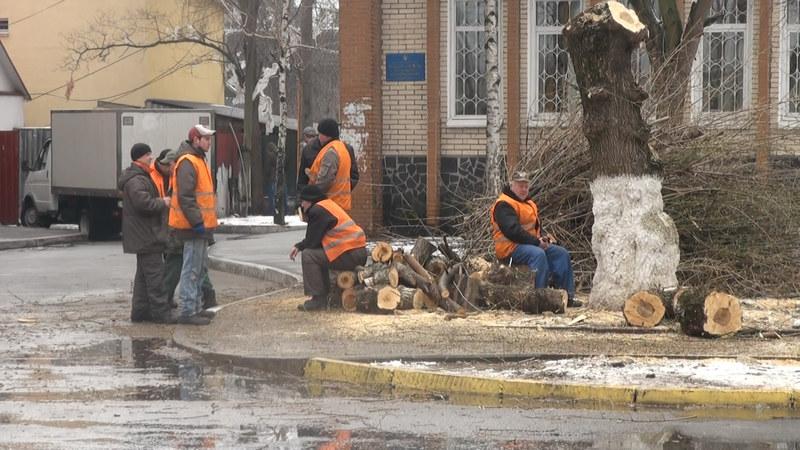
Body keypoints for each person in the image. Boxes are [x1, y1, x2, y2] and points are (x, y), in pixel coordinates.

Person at [490, 171, 583, 307]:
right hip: (509, 249)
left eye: (526, 186)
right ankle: (539, 299)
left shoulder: (528, 203)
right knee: (538, 255)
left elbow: (534, 228)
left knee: (560, 253)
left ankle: (567, 297)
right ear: (512, 186)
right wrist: (536, 242)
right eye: (520, 186)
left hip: (528, 245)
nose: (524, 189)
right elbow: (512, 231)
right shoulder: (504, 204)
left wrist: (543, 239)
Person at [152, 149, 216, 311]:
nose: (169, 167)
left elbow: (185, 204)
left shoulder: (181, 175)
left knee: (183, 267)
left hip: (183, 231)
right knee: (195, 267)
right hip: (187, 229)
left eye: (170, 163)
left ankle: (177, 301)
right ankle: (202, 299)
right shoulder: (180, 174)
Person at [117, 143, 174, 323]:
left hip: (143, 235)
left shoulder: (140, 176)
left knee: (142, 278)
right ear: (140, 157)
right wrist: (163, 202)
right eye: (148, 154)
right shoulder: (136, 180)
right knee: (155, 276)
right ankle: (161, 314)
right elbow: (143, 204)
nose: (151, 157)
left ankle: (140, 313)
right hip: (147, 236)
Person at [168, 124, 219, 325]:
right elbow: (186, 197)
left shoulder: (197, 160)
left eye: (209, 139)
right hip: (192, 227)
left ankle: (195, 307)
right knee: (191, 268)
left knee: (199, 267)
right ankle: (189, 310)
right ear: (195, 140)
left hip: (199, 226)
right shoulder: (189, 161)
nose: (209, 142)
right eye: (205, 139)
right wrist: (197, 222)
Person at [290, 185, 368, 311]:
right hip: (356, 252)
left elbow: (312, 242)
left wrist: (298, 246)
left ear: (310, 201)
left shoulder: (317, 211)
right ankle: (326, 295)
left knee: (309, 255)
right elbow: (318, 240)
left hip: (350, 254)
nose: (302, 206)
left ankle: (318, 300)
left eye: (303, 202)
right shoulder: (327, 205)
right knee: (316, 254)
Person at [299, 121, 359, 200]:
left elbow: (325, 181)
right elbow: (302, 179)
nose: (318, 137)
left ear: (326, 135)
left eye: (319, 134)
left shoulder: (332, 152)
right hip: (335, 200)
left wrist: (310, 198)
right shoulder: (309, 149)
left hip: (325, 201)